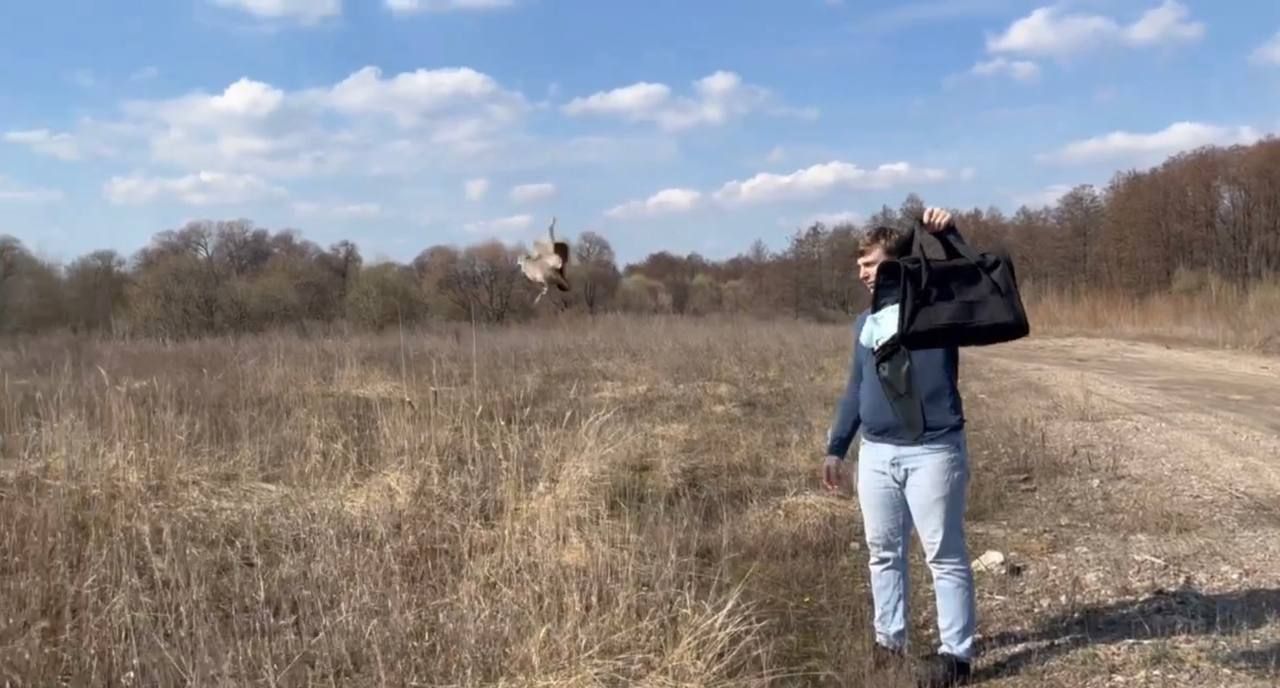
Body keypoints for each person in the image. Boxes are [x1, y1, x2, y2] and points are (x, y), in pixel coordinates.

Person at [822, 206, 976, 687]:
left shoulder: (936, 307)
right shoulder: (865, 324)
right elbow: (855, 387)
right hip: (877, 454)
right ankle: (890, 643)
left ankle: (957, 656)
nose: (861, 272)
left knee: (943, 555)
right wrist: (837, 446)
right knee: (882, 552)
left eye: (869, 263)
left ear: (894, 263)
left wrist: (948, 234)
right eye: (859, 265)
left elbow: (974, 279)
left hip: (934, 451)